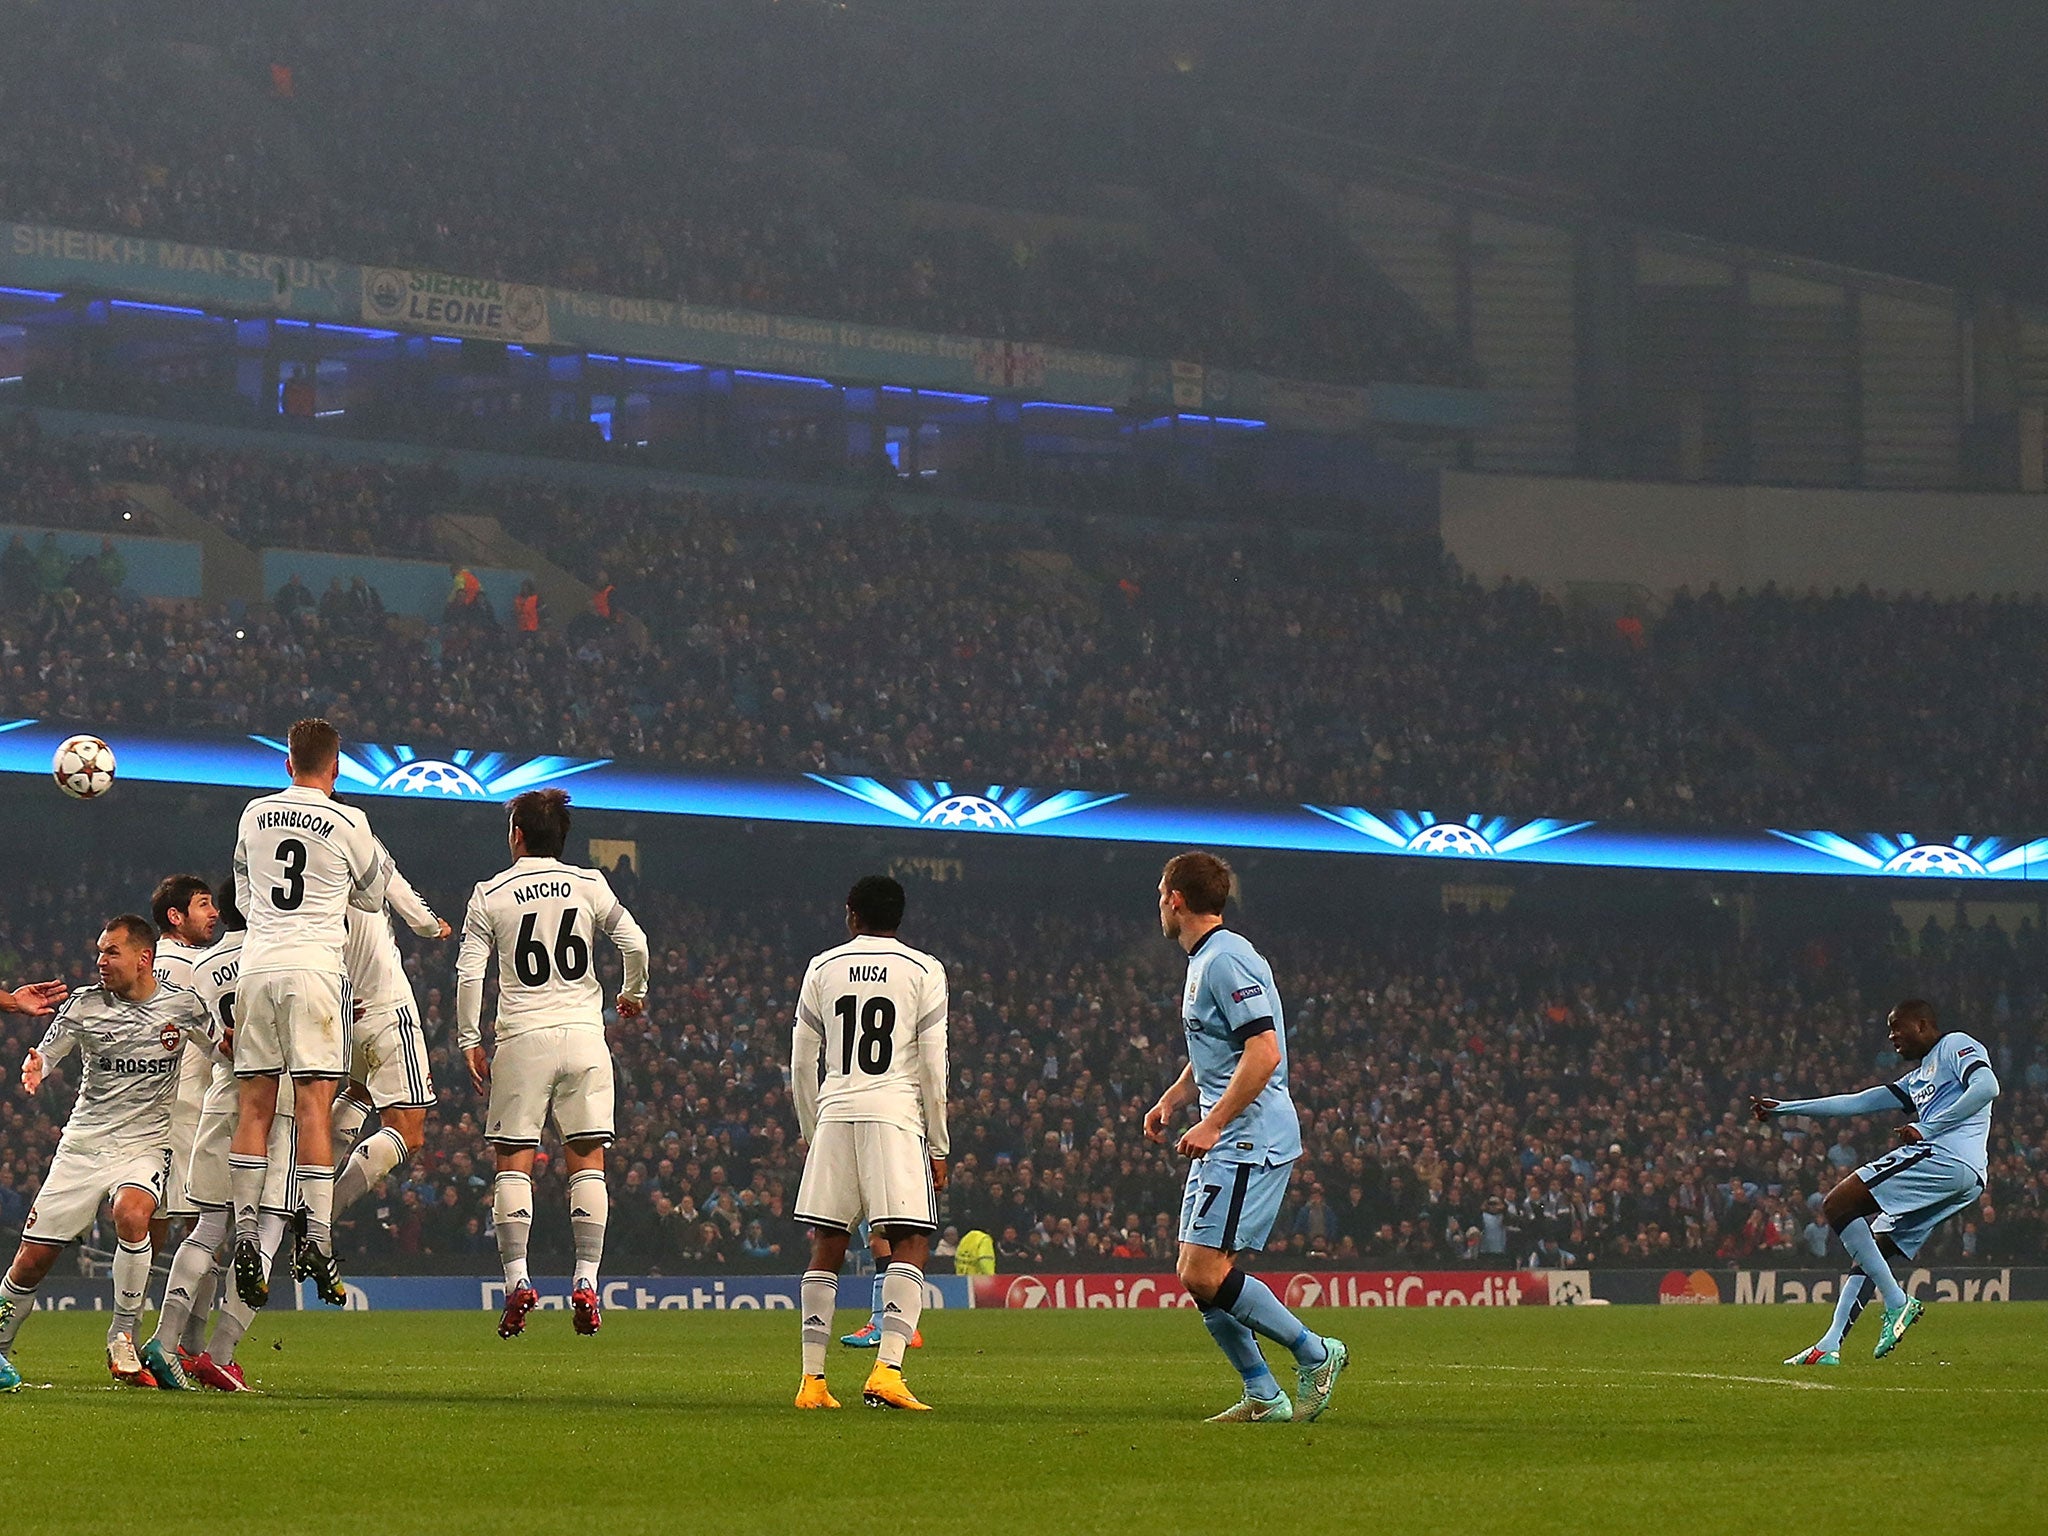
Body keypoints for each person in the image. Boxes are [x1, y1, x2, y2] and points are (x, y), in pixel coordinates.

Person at [1142, 851, 1346, 1424]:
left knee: (1202, 1272)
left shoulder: (1225, 960)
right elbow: (1220, 1049)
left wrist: (1213, 1122)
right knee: (1200, 1275)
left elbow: (1263, 1051)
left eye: (1161, 894)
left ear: (1177, 900)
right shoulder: (1209, 959)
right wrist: (1175, 1099)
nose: (1159, 903)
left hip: (1249, 1137)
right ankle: (1263, 1394)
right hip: (1232, 1134)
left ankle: (1315, 1352)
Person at [457, 788, 648, 1340]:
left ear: (516, 834)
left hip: (523, 1039)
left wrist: (470, 1037)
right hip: (585, 1038)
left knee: (513, 1164)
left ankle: (518, 1281)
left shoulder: (489, 893)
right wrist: (633, 993)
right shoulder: (590, 884)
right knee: (587, 1162)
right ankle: (586, 1280)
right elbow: (635, 942)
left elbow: (471, 974)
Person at [0, 917, 221, 1392]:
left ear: (144, 958)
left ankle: (122, 1332)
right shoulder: (84, 1005)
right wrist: (36, 1065)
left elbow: (224, 1049)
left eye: (112, 952)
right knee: (32, 1260)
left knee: (133, 1212)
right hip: (83, 1145)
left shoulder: (182, 1007)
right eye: (100, 951)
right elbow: (48, 1051)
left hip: (145, 1144)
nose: (101, 960)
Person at [228, 717, 393, 1309]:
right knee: (314, 1103)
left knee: (254, 1105)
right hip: (316, 970)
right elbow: (372, 896)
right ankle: (317, 1239)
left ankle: (247, 1235)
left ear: (287, 763)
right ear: (336, 767)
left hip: (257, 966)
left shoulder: (252, 814)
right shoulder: (351, 820)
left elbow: (244, 898)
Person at [1753, 998, 1999, 1364]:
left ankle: (1898, 1301)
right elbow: (1855, 1102)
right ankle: (1829, 1344)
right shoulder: (1918, 1079)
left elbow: (1987, 1086)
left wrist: (1928, 1126)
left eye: (1897, 1027)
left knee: (1837, 1204)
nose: (1891, 1036)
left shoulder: (1954, 1045)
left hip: (1946, 1158)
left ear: (1922, 1024)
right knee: (1874, 1251)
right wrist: (1786, 1108)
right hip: (1966, 1177)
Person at [790, 875, 947, 1412]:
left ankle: (812, 1383)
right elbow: (932, 1066)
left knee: (827, 1245)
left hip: (834, 1114)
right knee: (911, 1240)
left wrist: (813, 1131)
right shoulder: (925, 969)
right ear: (899, 917)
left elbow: (799, 1062)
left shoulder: (822, 967)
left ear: (851, 914)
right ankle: (887, 1370)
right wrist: (940, 1143)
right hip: (895, 1117)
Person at [146, 877, 295, 1390]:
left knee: (208, 1228)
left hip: (218, 1096)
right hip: (274, 1106)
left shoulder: (202, 968)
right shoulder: (281, 961)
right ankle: (220, 1352)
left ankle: (164, 1345)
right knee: (270, 1225)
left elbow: (207, 1040)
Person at [328, 852, 450, 1237]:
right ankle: (318, 1214)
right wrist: (434, 927)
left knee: (358, 1092)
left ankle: (303, 1187)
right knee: (408, 1132)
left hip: (336, 1013)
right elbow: (406, 900)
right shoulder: (357, 838)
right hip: (384, 1006)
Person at [148, 875, 220, 1272]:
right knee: (205, 1223)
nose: (215, 913)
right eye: (204, 904)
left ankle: (127, 1321)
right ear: (176, 916)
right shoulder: (198, 965)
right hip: (190, 1108)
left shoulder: (146, 962)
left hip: (148, 1108)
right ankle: (191, 1327)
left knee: (149, 1218)